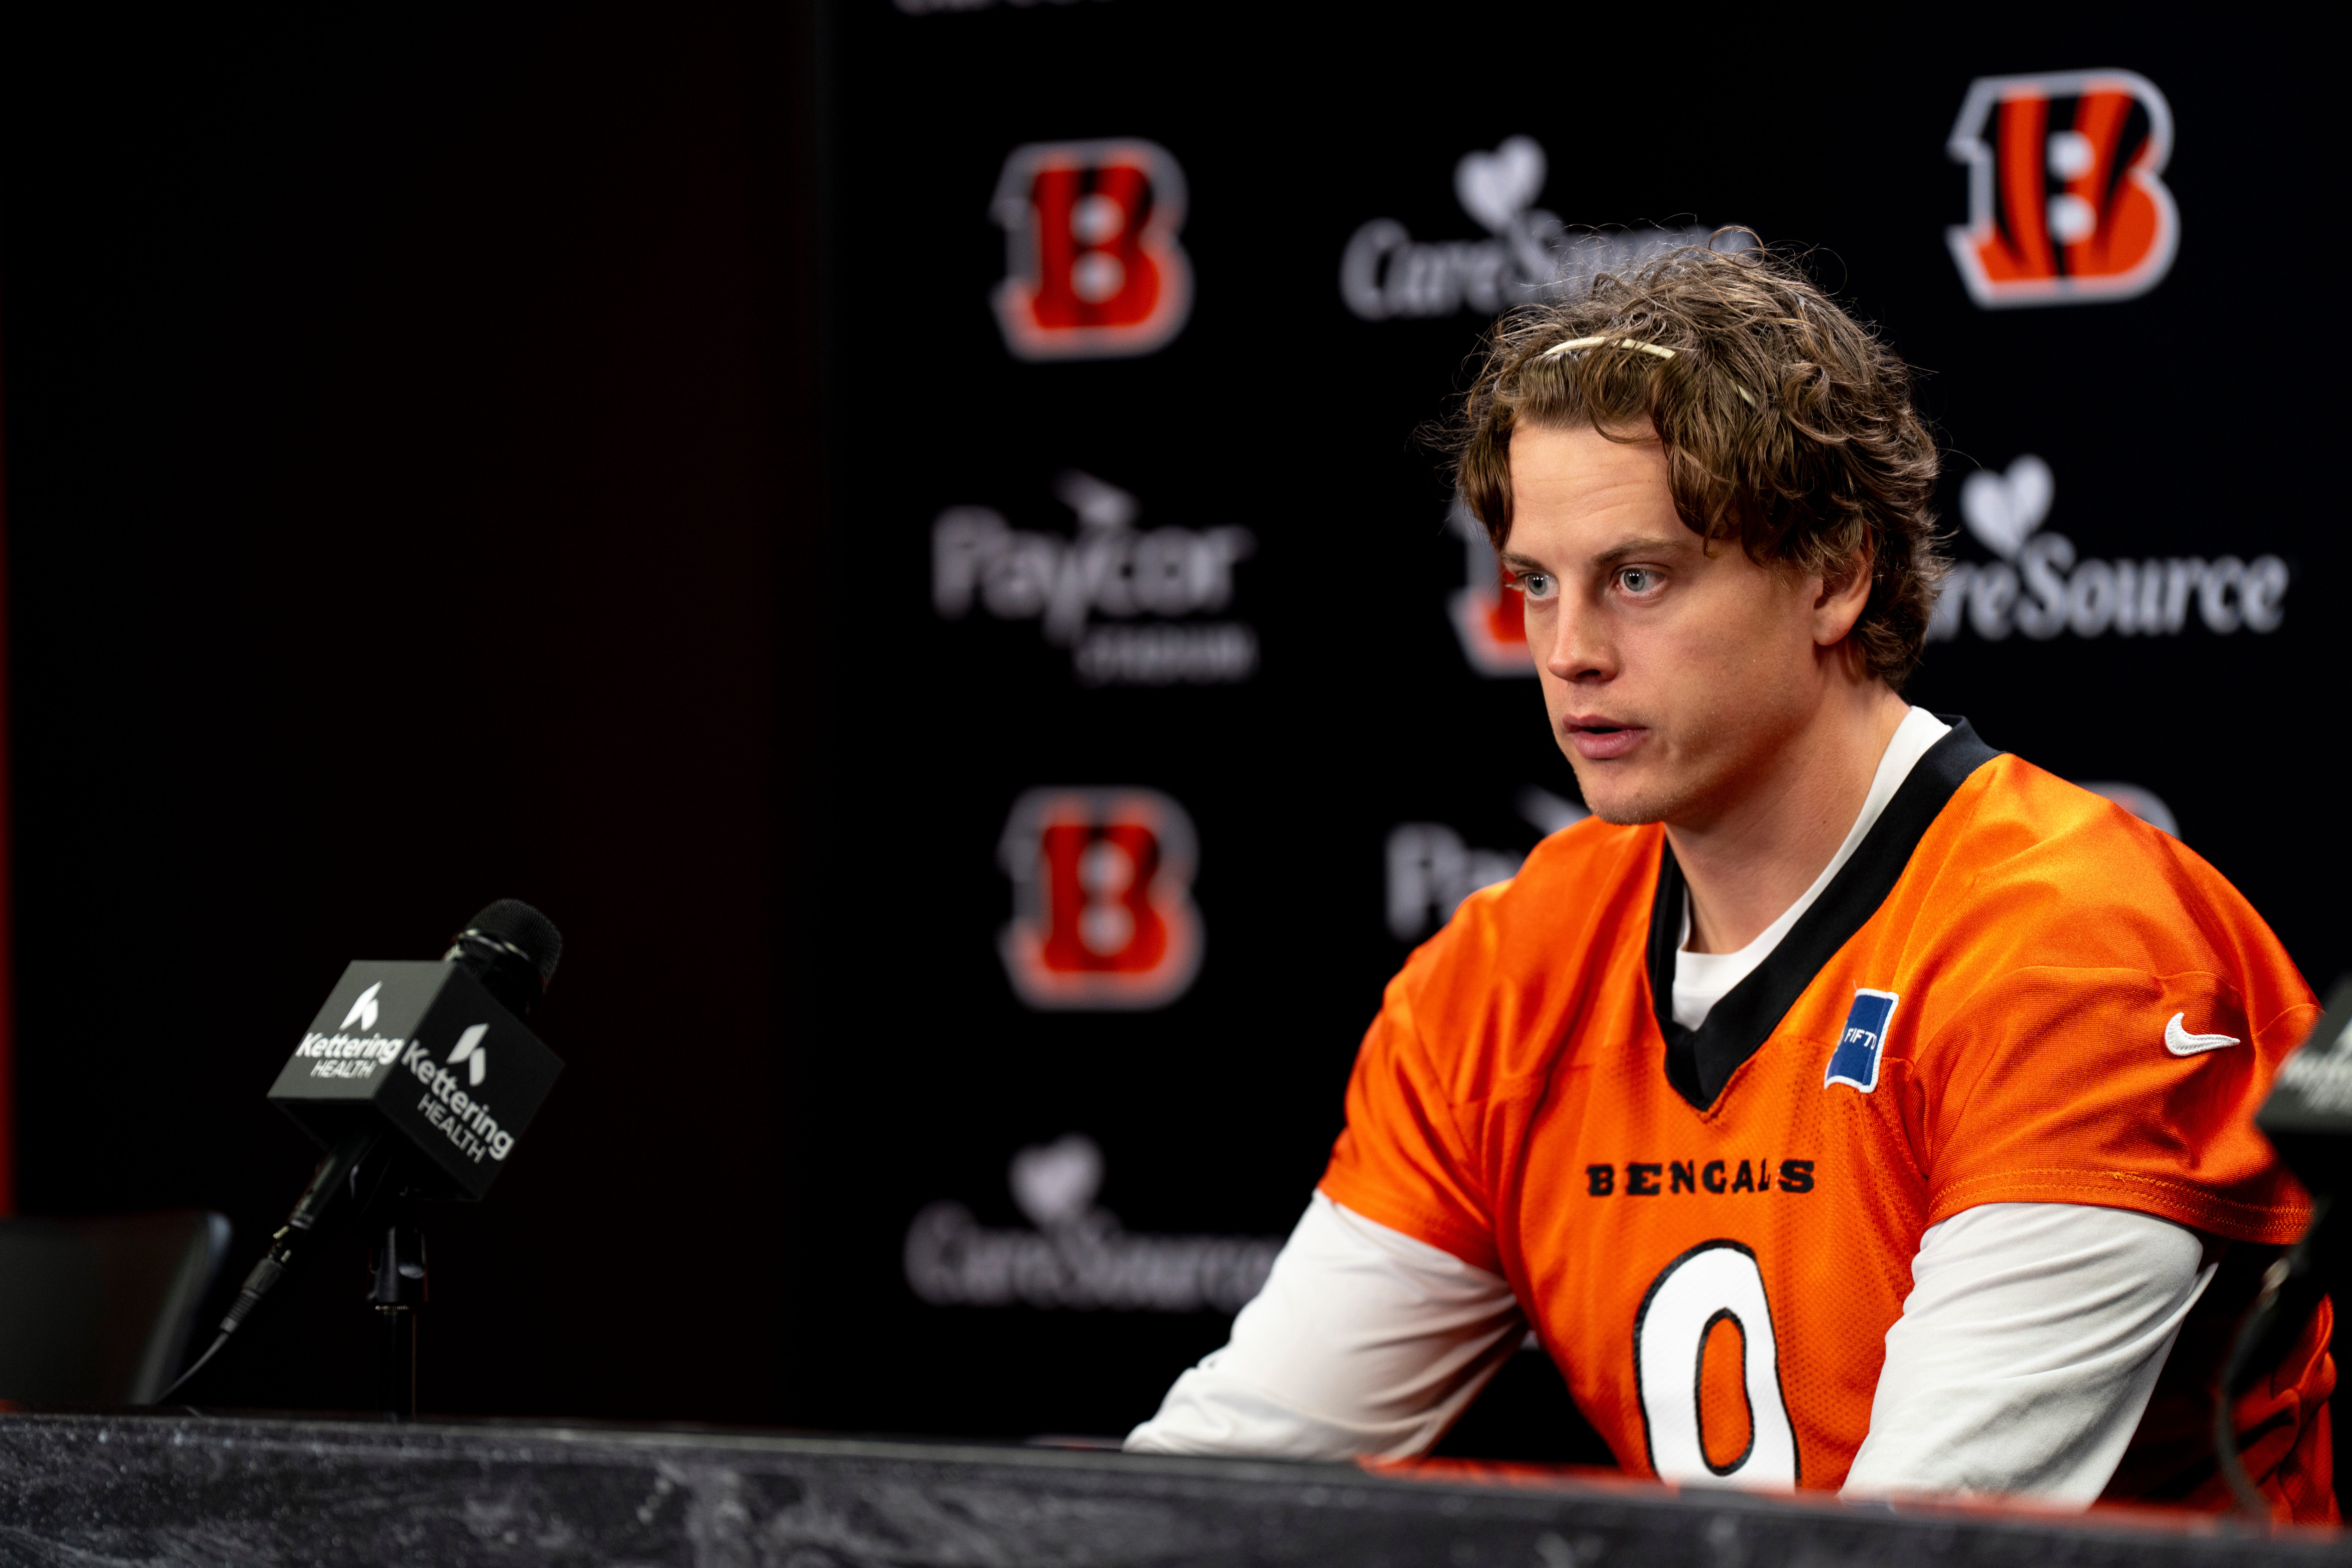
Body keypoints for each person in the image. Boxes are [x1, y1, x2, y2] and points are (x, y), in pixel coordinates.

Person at [1124, 246, 2333, 1520]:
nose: (1570, 653)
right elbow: (1228, 1475)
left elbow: (1918, 1550)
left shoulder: (2075, 951)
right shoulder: (1512, 965)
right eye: (1538, 584)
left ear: (1834, 575)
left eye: (1639, 578)